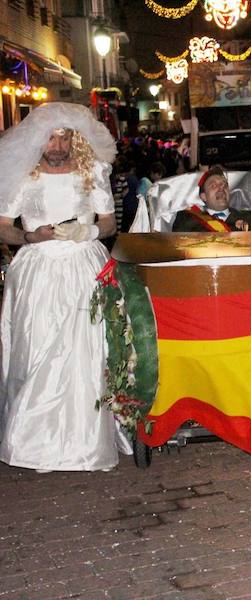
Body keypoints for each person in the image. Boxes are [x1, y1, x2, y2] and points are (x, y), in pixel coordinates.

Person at [0, 102, 127, 472]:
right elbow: (2, 225)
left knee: (85, 352)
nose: (57, 145)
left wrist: (88, 230)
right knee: (38, 349)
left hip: (83, 266)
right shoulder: (22, 174)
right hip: (36, 270)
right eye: (51, 137)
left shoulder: (93, 171)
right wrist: (28, 235)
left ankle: (85, 438)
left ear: (75, 138)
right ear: (38, 139)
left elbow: (108, 223)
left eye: (64, 137)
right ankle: (35, 440)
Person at [172, 166, 251, 232]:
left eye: (224, 185)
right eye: (213, 186)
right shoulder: (187, 219)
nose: (221, 188)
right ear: (203, 196)